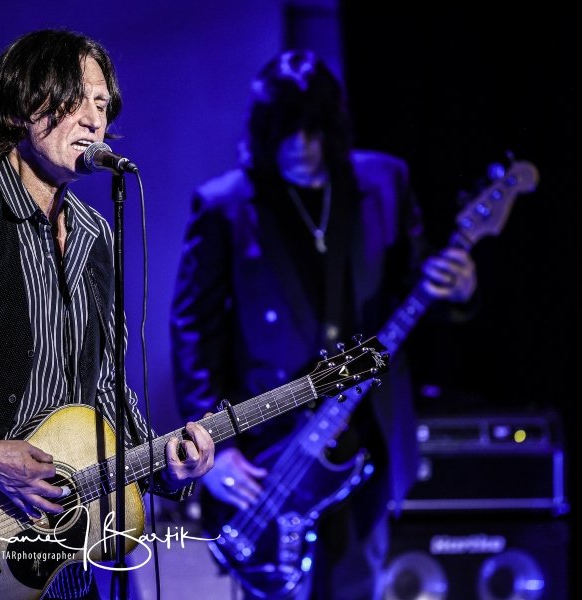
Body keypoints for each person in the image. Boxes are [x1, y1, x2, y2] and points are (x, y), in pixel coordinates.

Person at [0, 29, 214, 599]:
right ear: (21, 107)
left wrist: (165, 466)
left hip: (58, 558)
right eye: (74, 100)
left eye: (101, 104)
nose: (94, 120)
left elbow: (104, 389)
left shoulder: (94, 235)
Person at [170, 49, 476, 599]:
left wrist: (460, 289)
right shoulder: (225, 205)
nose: (301, 147)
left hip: (368, 434)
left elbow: (420, 289)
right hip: (269, 445)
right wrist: (211, 448)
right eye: (287, 132)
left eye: (314, 131)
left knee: (360, 583)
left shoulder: (384, 182)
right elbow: (194, 331)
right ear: (265, 132)